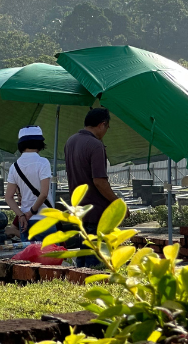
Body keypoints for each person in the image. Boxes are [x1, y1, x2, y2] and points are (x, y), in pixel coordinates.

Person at [64, 107, 123, 267]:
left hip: (80, 209)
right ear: (102, 125)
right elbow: (99, 181)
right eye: (107, 128)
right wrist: (117, 204)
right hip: (97, 211)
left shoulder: (70, 141)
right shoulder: (95, 145)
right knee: (95, 262)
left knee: (82, 257)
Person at [6, 126, 53, 240]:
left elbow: (8, 197)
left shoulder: (14, 167)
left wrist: (21, 215)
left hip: (25, 223)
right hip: (45, 220)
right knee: (50, 256)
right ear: (39, 143)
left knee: (28, 257)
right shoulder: (43, 162)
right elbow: (44, 194)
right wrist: (31, 212)